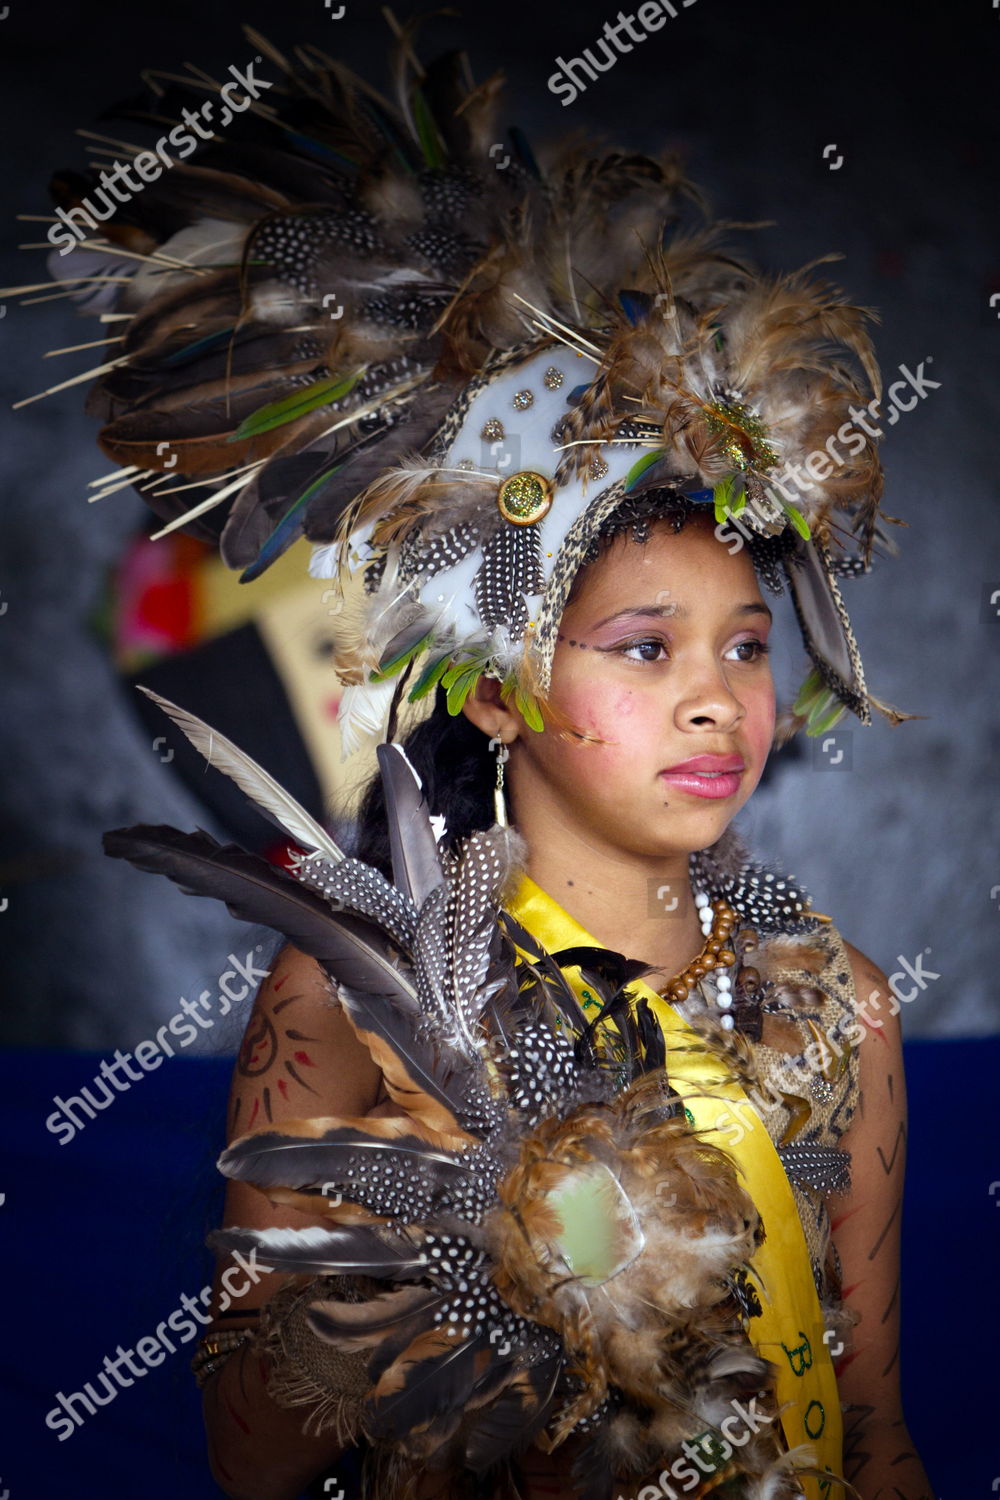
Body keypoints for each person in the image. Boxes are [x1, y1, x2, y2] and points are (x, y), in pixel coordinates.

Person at [36, 15, 931, 1497]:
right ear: (503, 691)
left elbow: (877, 1420)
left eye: (749, 646)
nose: (719, 699)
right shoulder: (353, 993)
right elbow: (257, 1465)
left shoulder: (835, 1004)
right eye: (646, 649)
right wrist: (418, 1240)